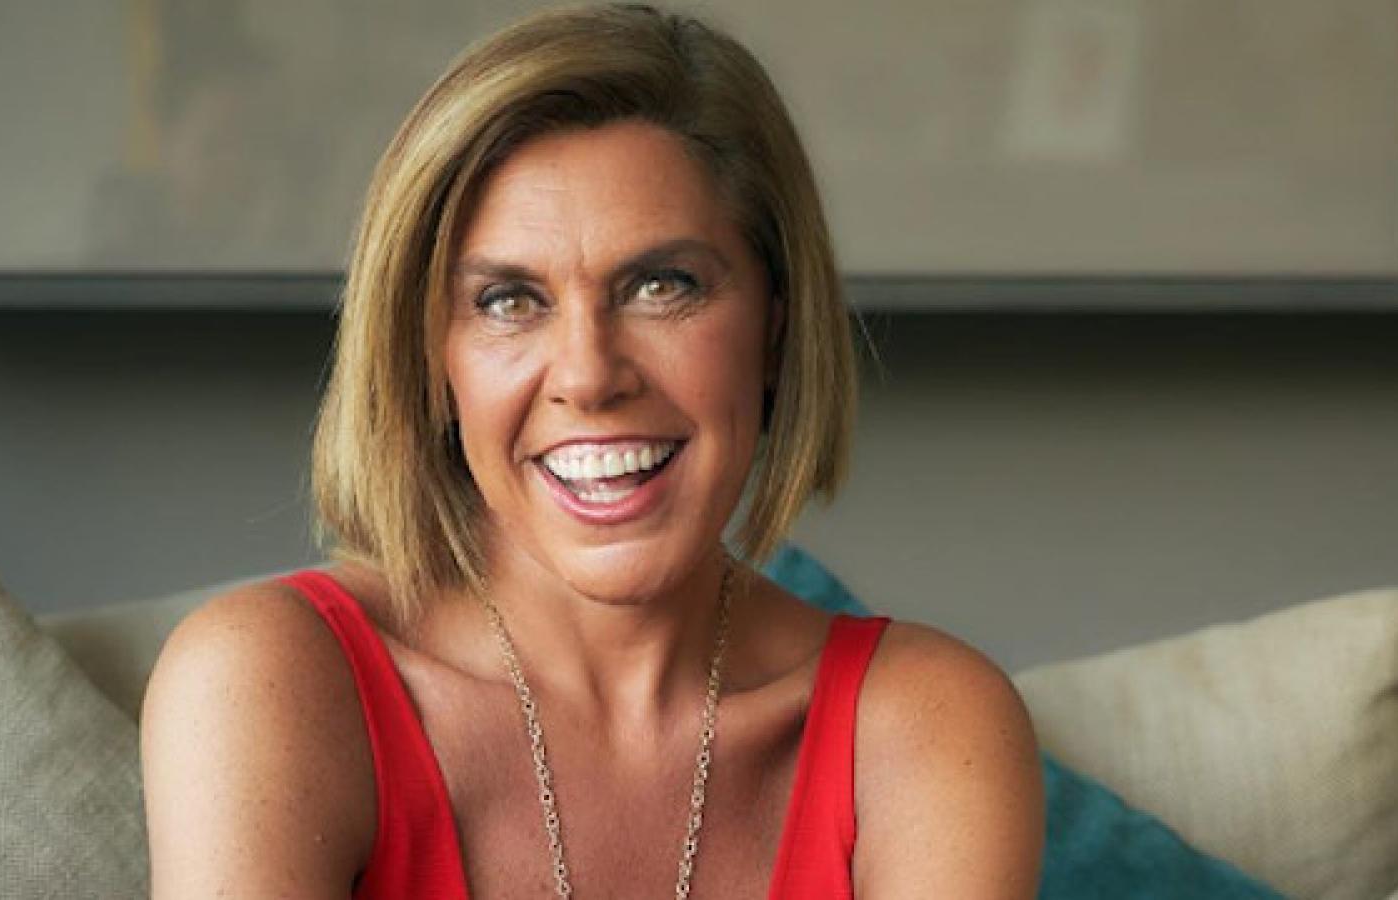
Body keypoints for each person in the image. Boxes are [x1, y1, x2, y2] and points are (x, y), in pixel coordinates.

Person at [141, 5, 1044, 897]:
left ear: (775, 328)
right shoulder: (269, 682)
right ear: (428, 357)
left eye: (662, 286)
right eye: (508, 301)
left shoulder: (926, 724)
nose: (588, 376)